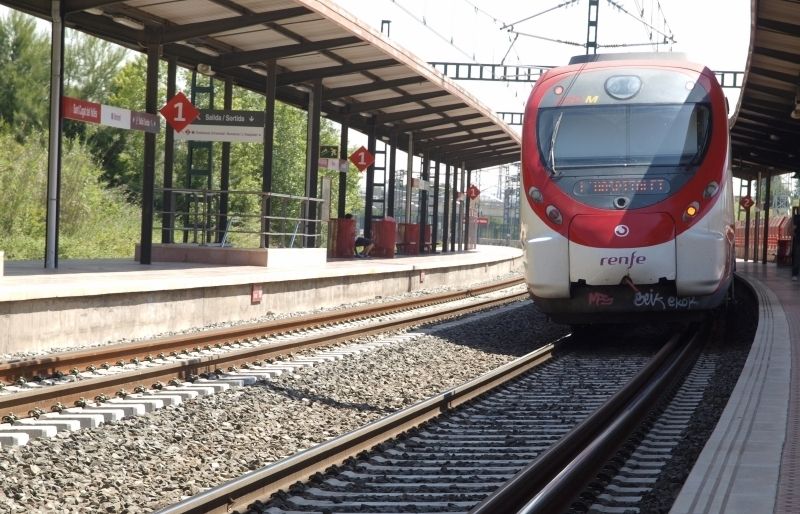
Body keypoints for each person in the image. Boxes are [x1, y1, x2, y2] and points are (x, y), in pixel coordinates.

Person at [793, 214, 800, 281]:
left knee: (797, 258)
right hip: (798, 241)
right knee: (797, 258)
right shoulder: (797, 218)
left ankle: (795, 275)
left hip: (798, 240)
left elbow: (794, 229)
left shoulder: (797, 218)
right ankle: (795, 274)